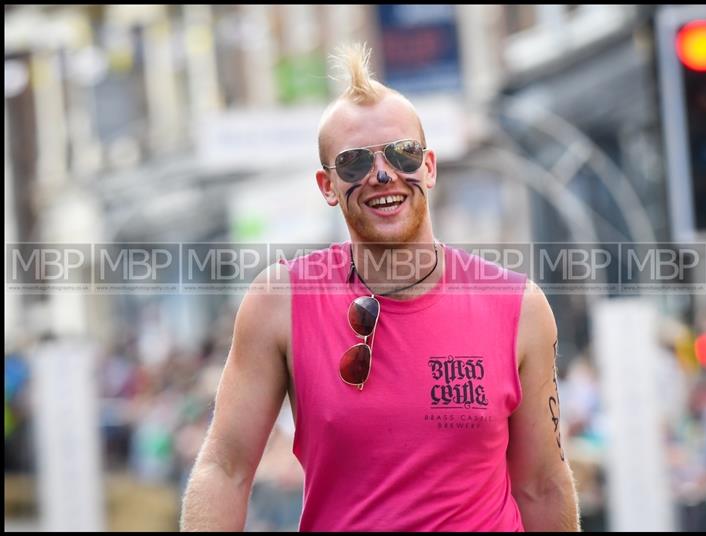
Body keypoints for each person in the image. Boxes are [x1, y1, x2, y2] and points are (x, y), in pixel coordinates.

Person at [180, 43, 580, 532]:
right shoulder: (281, 301)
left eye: (402, 153)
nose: (383, 174)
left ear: (429, 166)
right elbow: (224, 467)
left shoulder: (519, 307)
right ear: (327, 186)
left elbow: (542, 484)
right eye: (353, 164)